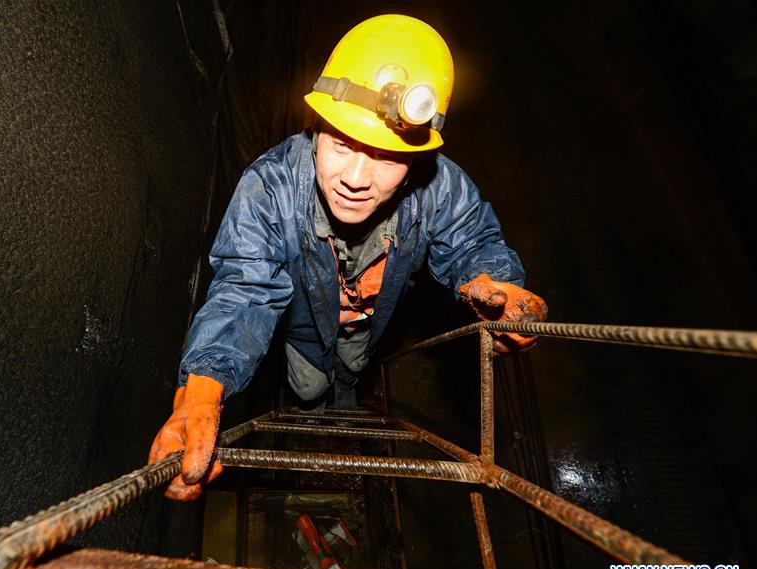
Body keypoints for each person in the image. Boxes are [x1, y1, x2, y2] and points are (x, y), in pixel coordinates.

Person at [148, 15, 548, 500]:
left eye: (384, 156)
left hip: (366, 324)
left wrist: (497, 285)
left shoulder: (440, 187)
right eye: (340, 144)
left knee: (353, 366)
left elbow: (471, 238)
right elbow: (244, 288)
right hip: (301, 333)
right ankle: (315, 415)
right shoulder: (268, 190)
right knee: (308, 383)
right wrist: (202, 392)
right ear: (317, 126)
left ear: (418, 157)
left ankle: (344, 398)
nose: (355, 177)